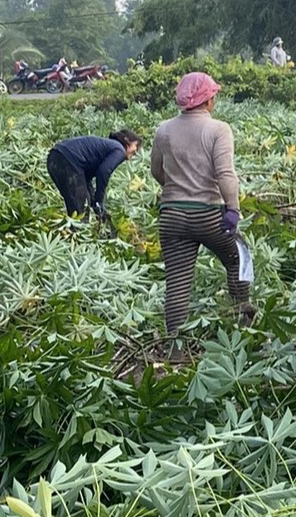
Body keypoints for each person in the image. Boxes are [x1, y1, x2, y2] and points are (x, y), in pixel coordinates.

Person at [150, 71, 252, 334]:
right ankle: (245, 318)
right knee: (236, 258)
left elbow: (157, 171)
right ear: (208, 101)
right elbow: (225, 173)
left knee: (178, 280)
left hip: (172, 216)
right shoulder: (218, 129)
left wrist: (176, 191)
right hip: (208, 215)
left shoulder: (164, 130)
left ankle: (175, 345)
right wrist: (233, 209)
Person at [45, 130, 140, 222]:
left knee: (83, 203)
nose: (136, 152)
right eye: (136, 146)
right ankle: (77, 234)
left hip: (55, 157)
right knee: (81, 211)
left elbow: (86, 179)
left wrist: (95, 202)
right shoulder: (119, 149)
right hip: (67, 161)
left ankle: (77, 232)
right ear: (127, 140)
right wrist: (99, 201)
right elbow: (103, 172)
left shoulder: (107, 146)